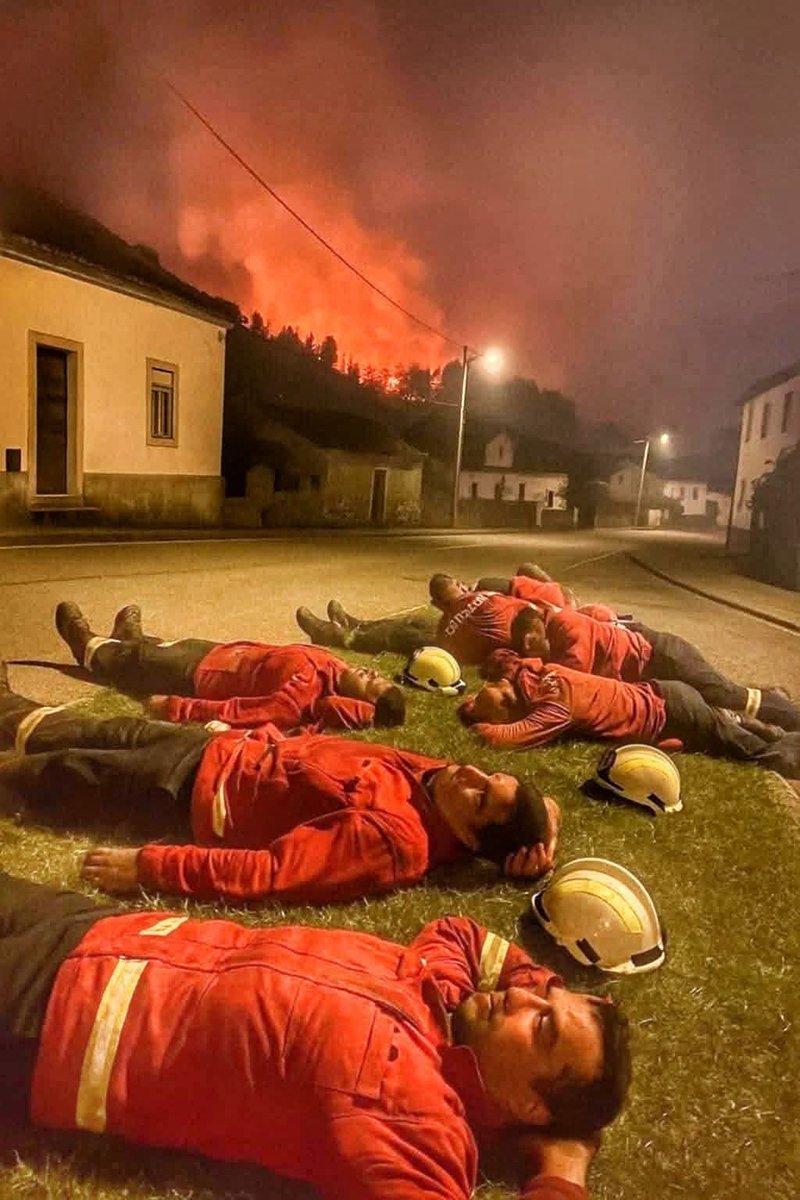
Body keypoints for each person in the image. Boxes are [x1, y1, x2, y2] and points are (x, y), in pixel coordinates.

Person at [0, 870, 630, 1200]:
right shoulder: (438, 988)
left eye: (542, 1026)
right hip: (103, 929)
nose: (520, 997)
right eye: (540, 996)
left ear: (528, 1104)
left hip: (48, 1022)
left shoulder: (421, 1133)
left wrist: (563, 1171)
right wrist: (554, 989)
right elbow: (461, 932)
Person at [0, 665, 560, 903]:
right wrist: (544, 837)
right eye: (489, 775)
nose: (471, 773)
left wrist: (153, 867)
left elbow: (274, 873)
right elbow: (540, 808)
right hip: (214, 747)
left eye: (481, 795)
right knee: (91, 728)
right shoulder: (436, 783)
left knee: (59, 772)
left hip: (184, 791)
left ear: (469, 836)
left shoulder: (396, 840)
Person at [54, 601, 406, 732]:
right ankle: (130, 636)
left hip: (199, 676)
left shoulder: (299, 698)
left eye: (374, 685)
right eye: (379, 676)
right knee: (158, 648)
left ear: (359, 703)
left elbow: (240, 713)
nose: (372, 673)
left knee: (135, 662)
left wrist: (177, 707)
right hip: (219, 653)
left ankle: (86, 645)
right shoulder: (335, 668)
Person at [457, 651, 800, 777]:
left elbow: (502, 739)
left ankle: (784, 745)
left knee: (754, 754)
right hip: (666, 692)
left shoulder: (554, 707)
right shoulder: (538, 671)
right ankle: (763, 728)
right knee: (726, 727)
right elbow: (507, 676)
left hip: (672, 713)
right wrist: (478, 702)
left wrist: (482, 724)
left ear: (511, 705)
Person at [509, 604, 800, 731]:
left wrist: (533, 665)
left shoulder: (563, 625)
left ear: (532, 634)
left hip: (662, 655)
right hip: (654, 667)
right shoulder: (557, 631)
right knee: (717, 702)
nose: (532, 652)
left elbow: (577, 674)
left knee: (730, 696)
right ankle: (775, 707)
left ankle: (788, 713)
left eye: (528, 646)